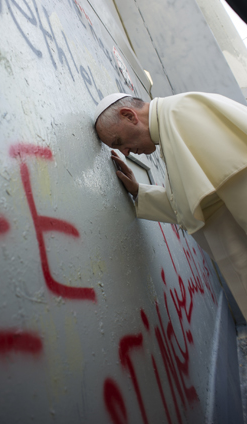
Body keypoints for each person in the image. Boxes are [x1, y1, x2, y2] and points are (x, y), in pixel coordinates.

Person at [94, 92, 247, 319]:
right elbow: (190, 202)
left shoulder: (183, 111)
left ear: (129, 116)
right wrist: (139, 191)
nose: (124, 153)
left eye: (119, 143)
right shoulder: (171, 124)